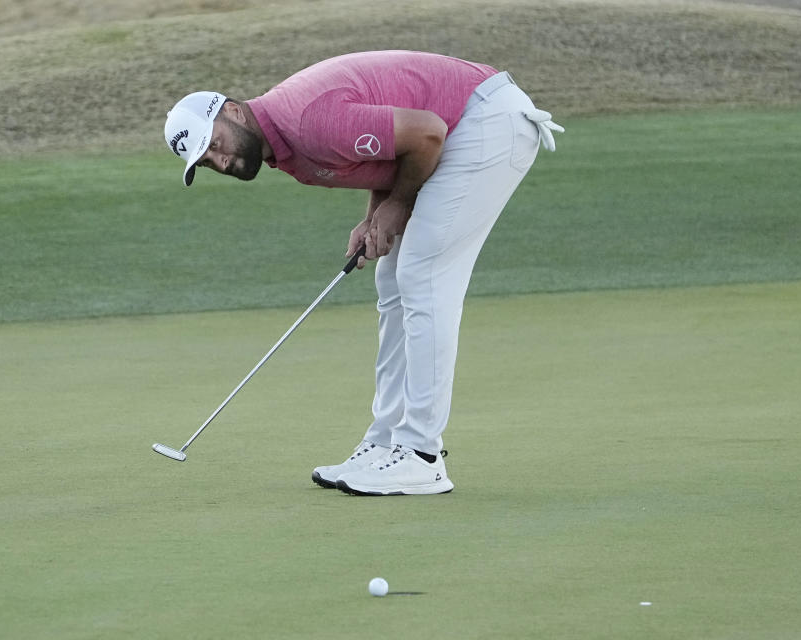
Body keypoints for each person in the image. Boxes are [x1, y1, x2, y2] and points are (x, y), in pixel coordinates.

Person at [163, 50, 562, 496]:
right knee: (391, 279)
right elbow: (389, 150)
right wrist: (375, 216)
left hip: (485, 122)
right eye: (206, 162)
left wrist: (398, 204)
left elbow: (427, 134)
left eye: (215, 144)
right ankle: (386, 441)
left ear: (233, 112)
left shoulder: (307, 122)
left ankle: (422, 456)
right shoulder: (287, 141)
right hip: (463, 125)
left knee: (422, 274)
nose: (222, 162)